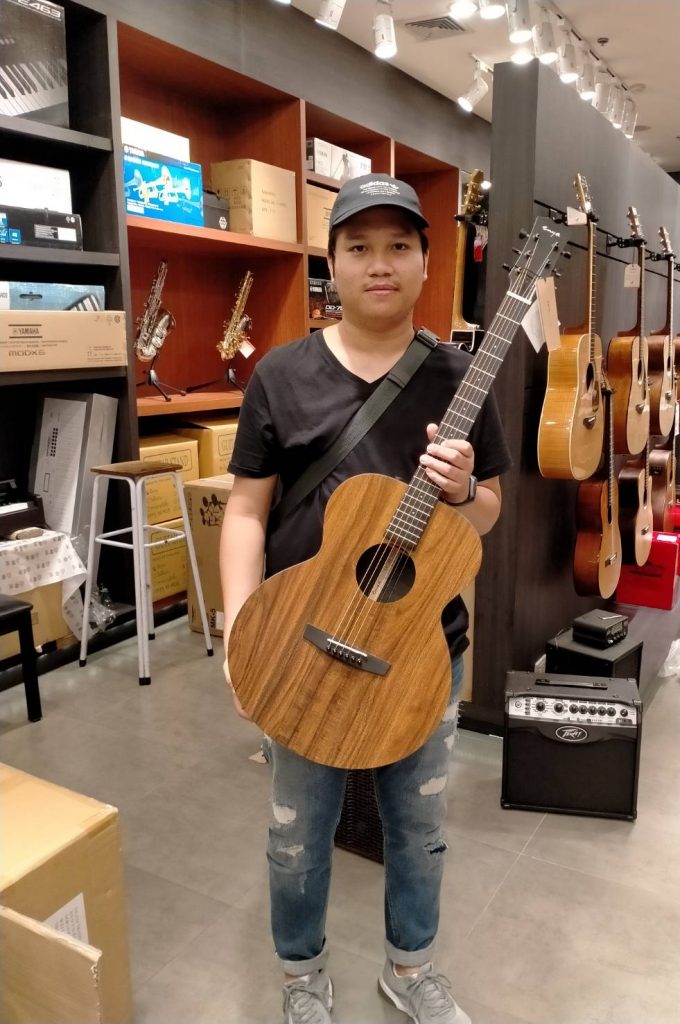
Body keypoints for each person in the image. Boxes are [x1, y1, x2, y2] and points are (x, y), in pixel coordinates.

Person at [220, 173, 512, 1024]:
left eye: (398, 246)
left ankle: (411, 969)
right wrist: (240, 632)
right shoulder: (281, 375)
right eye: (359, 246)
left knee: (418, 828)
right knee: (296, 830)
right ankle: (301, 976)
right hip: (301, 640)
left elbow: (488, 514)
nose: (379, 263)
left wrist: (463, 492)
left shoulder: (460, 378)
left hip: (422, 651)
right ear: (333, 264)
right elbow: (246, 511)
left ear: (425, 261)